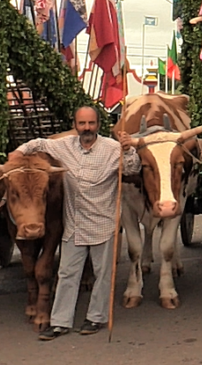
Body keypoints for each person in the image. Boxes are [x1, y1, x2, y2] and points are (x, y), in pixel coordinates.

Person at [8, 106, 140, 341]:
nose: (86, 128)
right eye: (82, 124)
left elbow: (132, 169)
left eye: (91, 123)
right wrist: (17, 154)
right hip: (73, 223)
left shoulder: (112, 148)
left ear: (98, 124)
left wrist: (128, 150)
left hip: (103, 223)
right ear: (75, 124)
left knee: (102, 274)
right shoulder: (64, 145)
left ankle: (95, 318)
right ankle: (60, 322)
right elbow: (37, 143)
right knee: (67, 273)